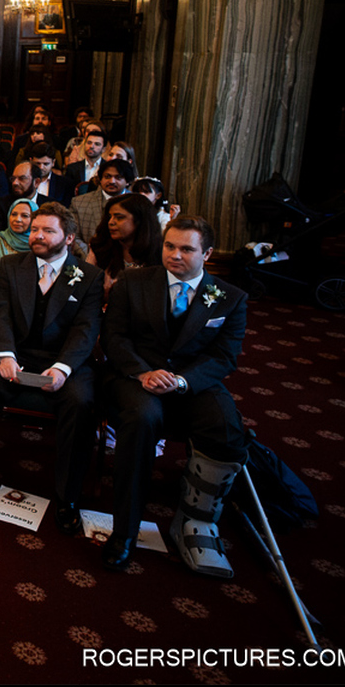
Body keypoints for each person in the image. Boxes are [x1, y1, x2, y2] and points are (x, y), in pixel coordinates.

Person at [100, 217, 250, 576]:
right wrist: (143, 372)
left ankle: (198, 519)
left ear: (208, 253)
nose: (175, 255)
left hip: (192, 381)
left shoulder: (230, 298)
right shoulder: (134, 283)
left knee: (226, 425)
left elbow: (223, 357)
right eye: (170, 246)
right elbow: (114, 338)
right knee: (142, 419)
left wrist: (182, 382)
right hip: (135, 377)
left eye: (186, 249)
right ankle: (125, 530)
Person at [0, 202, 104, 534]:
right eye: (35, 228)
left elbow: (85, 329)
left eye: (47, 230)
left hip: (65, 359)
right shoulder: (12, 265)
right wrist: (5, 354)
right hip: (15, 353)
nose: (36, 235)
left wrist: (63, 368)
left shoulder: (88, 277)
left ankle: (68, 496)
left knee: (81, 403)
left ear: (68, 238)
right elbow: (0, 313)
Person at [86, 192, 162, 297]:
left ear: (140, 220)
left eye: (119, 217)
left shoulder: (159, 252)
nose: (111, 222)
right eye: (110, 217)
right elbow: (86, 287)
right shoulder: (100, 247)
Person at [0, 197, 37, 275]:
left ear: (34, 219)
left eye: (25, 216)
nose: (17, 219)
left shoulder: (38, 241)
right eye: (13, 214)